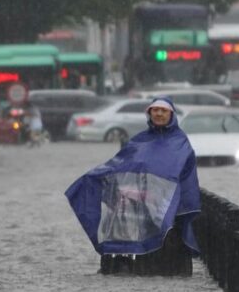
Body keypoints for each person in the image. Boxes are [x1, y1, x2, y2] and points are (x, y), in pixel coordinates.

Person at [65, 96, 201, 275]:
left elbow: (184, 174)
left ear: (171, 114)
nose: (159, 114)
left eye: (163, 110)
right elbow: (120, 164)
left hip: (169, 209)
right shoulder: (139, 141)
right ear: (149, 113)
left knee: (166, 243)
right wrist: (96, 177)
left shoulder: (180, 141)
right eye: (155, 110)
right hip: (138, 209)